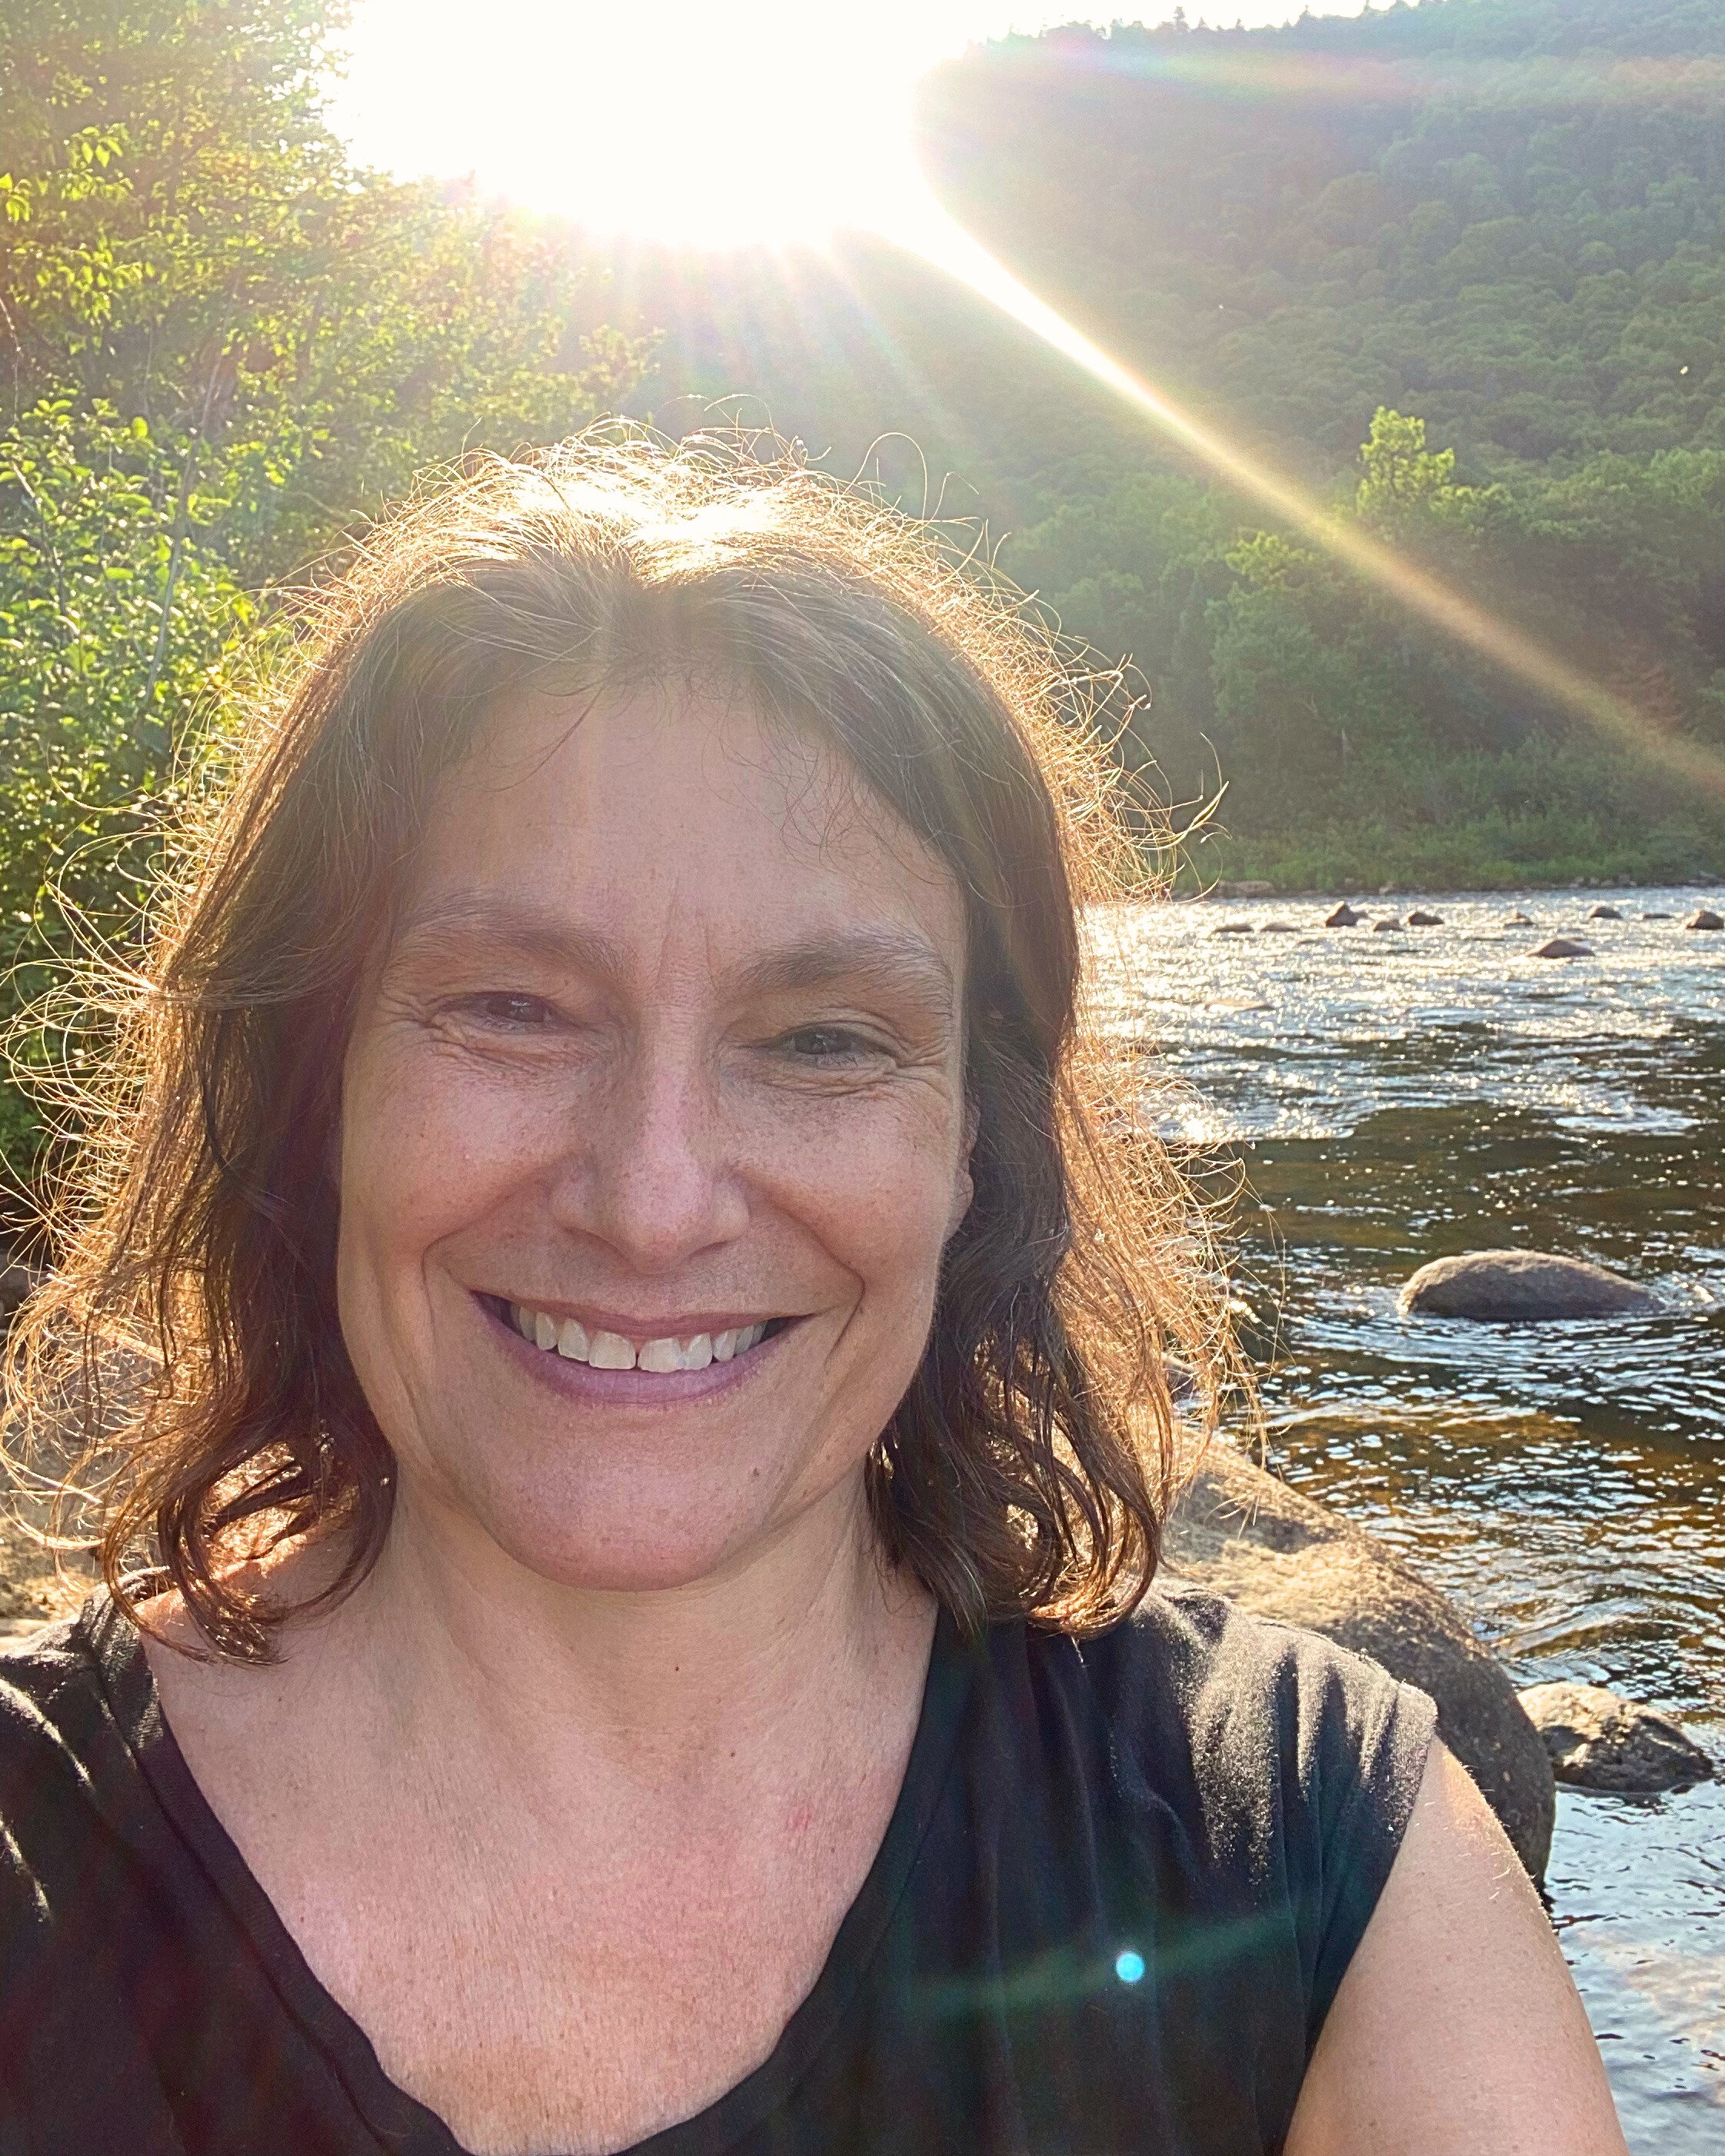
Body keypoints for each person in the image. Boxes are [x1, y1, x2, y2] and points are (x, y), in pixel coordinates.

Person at [0, 433, 1623, 2155]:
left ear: (974, 1148)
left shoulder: (1316, 1862)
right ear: (313, 1083)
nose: (652, 1197)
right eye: (511, 1005)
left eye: (823, 1038)